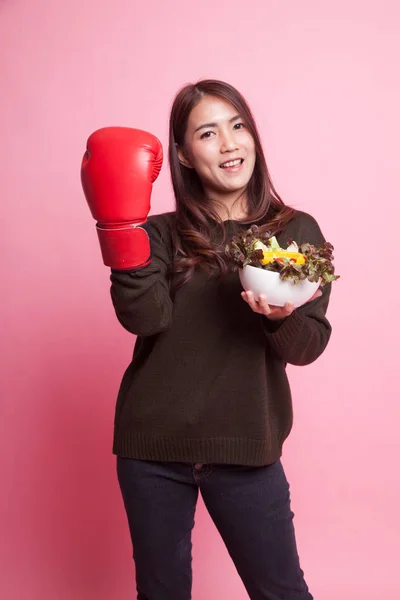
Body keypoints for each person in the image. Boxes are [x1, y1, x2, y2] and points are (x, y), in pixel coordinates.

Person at [81, 79, 333, 600]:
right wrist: (118, 229)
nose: (229, 143)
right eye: (208, 133)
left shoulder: (295, 232)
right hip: (152, 449)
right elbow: (144, 318)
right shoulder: (155, 233)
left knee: (281, 591)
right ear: (184, 156)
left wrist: (278, 317)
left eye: (237, 126)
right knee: (161, 593)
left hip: (247, 445)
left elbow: (306, 347)